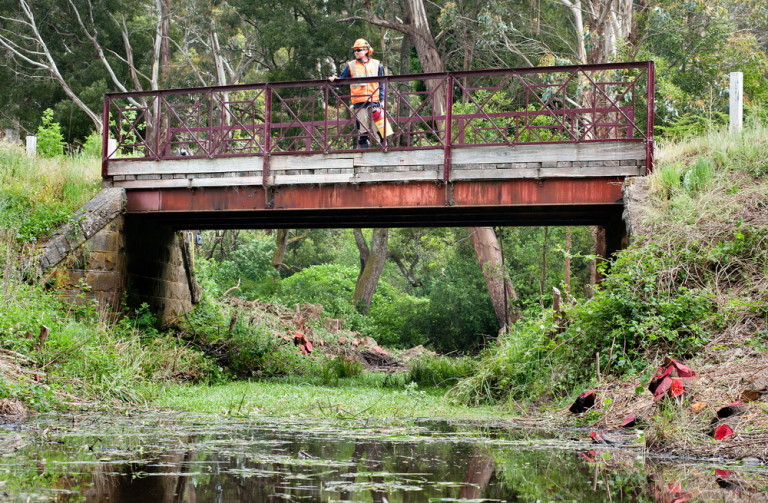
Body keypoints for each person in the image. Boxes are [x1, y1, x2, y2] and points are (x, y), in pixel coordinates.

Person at [329, 38, 385, 149]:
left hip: (375, 101)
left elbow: (381, 83)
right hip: (359, 102)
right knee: (363, 131)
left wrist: (382, 100)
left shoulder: (377, 64)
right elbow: (341, 81)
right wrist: (335, 80)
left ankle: (384, 150)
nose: (356, 52)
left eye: (358, 50)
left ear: (366, 50)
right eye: (354, 50)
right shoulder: (351, 65)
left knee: (380, 129)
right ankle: (365, 151)